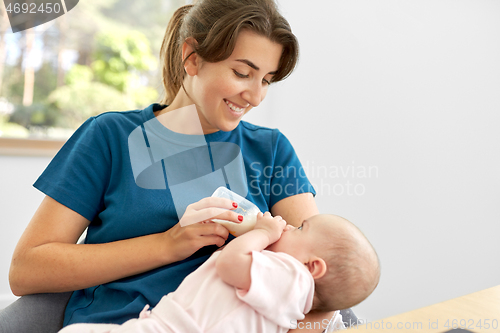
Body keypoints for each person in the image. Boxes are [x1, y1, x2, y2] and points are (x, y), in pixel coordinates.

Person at [6, 0, 336, 331]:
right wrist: (167, 245)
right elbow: (27, 269)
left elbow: (325, 279)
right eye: (242, 73)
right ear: (192, 57)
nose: (255, 96)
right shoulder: (111, 137)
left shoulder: (271, 150)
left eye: (266, 80)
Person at [59, 213, 380, 333]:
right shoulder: (289, 298)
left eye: (298, 228)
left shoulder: (290, 275)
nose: (285, 223)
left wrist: (264, 233)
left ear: (313, 267)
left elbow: (230, 264)